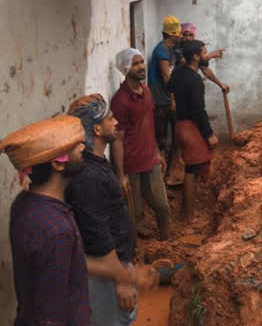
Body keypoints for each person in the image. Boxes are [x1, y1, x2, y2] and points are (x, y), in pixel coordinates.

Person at [67, 94, 158, 325]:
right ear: (97, 130)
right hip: (106, 273)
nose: (116, 122)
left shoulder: (96, 163)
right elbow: (98, 235)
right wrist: (122, 279)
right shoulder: (88, 176)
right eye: (110, 118)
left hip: (114, 266)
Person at [0, 116, 90, 325]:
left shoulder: (25, 202)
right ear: (57, 165)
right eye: (75, 146)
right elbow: (50, 318)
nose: (82, 148)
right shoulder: (56, 231)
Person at [112, 48, 171, 240]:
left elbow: (150, 126)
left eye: (141, 62)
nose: (141, 66)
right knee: (134, 213)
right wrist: (121, 175)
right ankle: (139, 253)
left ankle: (166, 242)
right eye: (135, 64)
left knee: (162, 206)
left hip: (150, 159)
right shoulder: (120, 101)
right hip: (131, 165)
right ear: (125, 69)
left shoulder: (146, 92)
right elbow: (117, 139)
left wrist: (157, 152)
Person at [168, 40, 218, 222]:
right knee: (192, 169)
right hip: (190, 127)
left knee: (193, 167)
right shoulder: (195, 80)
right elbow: (198, 111)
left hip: (179, 124)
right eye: (205, 53)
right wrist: (209, 134)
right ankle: (188, 216)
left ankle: (188, 213)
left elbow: (169, 88)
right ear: (196, 57)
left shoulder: (179, 72)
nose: (207, 55)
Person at [148, 15, 181, 161]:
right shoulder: (161, 51)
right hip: (161, 96)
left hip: (167, 95)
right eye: (178, 33)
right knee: (161, 133)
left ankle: (173, 163)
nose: (180, 35)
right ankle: (163, 163)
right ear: (170, 34)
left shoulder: (171, 49)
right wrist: (173, 99)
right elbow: (166, 76)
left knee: (176, 130)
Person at [180, 22, 229, 94]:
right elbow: (184, 62)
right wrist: (211, 55)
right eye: (185, 35)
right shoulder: (178, 47)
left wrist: (220, 85)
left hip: (189, 86)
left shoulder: (196, 46)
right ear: (181, 35)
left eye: (190, 35)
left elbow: (205, 68)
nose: (187, 38)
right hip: (178, 85)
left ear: (194, 35)